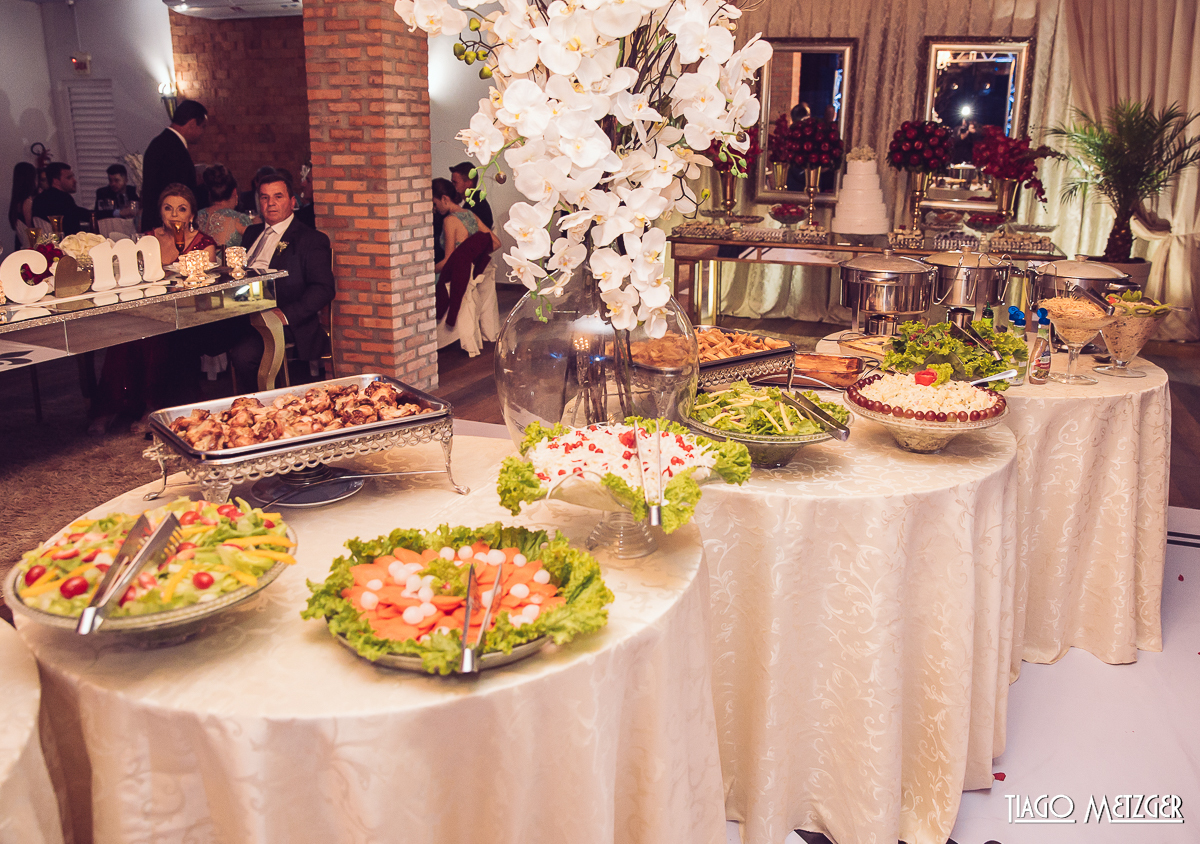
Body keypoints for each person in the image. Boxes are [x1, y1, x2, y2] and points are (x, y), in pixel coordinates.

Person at [88, 184, 217, 434]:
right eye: (168, 208)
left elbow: (203, 285)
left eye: (182, 209)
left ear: (191, 215)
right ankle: (109, 407)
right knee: (122, 337)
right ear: (160, 212)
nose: (174, 215)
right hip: (146, 310)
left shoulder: (203, 243)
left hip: (185, 313)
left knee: (152, 338)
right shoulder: (147, 239)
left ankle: (151, 407)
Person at [203, 170, 336, 391]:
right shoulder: (252, 233)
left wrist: (285, 315)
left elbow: (323, 289)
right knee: (192, 337)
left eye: (278, 196)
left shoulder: (310, 239)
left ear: (292, 201)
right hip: (242, 311)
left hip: (283, 319)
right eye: (264, 197)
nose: (270, 203)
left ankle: (257, 410)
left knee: (244, 354)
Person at [140, 99, 207, 231]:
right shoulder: (175, 149)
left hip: (155, 221)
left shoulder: (159, 142)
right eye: (203, 126)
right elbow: (178, 190)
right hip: (168, 226)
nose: (202, 133)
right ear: (193, 123)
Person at [196, 164, 253, 249]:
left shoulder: (196, 216)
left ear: (210, 193)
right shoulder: (239, 219)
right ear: (234, 192)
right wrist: (257, 228)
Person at [30, 162, 91, 235]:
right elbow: (75, 222)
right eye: (69, 178)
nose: (74, 181)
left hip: (47, 243)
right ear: (56, 181)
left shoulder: (39, 198)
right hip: (65, 242)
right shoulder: (63, 199)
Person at [448, 161, 493, 229]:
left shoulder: (477, 206)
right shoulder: (474, 201)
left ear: (469, 183)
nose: (452, 185)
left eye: (455, 182)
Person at [8, 161, 37, 249]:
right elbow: (30, 228)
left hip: (21, 243)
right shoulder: (27, 201)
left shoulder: (17, 201)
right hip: (29, 245)